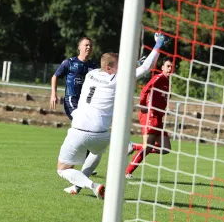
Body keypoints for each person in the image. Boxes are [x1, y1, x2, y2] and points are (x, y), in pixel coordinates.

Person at [56, 33, 166, 198]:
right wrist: (159, 43)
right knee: (96, 152)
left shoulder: (90, 74)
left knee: (62, 169)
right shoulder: (118, 79)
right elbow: (146, 68)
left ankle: (93, 185)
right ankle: (79, 186)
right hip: (101, 134)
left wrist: (133, 64)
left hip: (78, 128)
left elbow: (111, 68)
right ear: (109, 68)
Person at [125, 57, 173, 179]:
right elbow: (145, 90)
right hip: (150, 114)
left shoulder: (167, 82)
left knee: (166, 148)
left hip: (158, 117)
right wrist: (143, 105)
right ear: (162, 68)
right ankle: (128, 172)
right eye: (167, 66)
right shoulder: (158, 78)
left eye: (171, 66)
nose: (170, 68)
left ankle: (134, 146)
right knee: (148, 146)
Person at [50, 37, 99, 120]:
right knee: (79, 120)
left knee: (85, 124)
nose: (89, 47)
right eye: (86, 45)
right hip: (71, 100)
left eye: (90, 46)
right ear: (79, 47)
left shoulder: (93, 66)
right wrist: (53, 94)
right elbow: (55, 76)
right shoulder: (69, 62)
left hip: (86, 101)